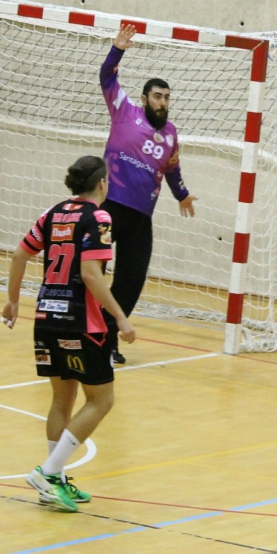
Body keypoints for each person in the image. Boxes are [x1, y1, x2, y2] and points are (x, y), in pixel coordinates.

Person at [2, 156, 136, 512]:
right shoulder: (100, 217)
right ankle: (48, 472)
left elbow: (18, 255)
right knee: (101, 401)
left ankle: (55, 481)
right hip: (82, 322)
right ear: (102, 184)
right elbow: (92, 274)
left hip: (47, 316)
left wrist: (13, 302)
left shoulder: (53, 214)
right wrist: (121, 317)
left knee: (62, 400)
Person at [99, 24, 198, 364]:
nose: (163, 102)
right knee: (89, 270)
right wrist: (118, 49)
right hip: (109, 208)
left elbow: (172, 168)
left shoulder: (171, 133)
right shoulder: (124, 110)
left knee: (131, 281)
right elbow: (107, 78)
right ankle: (79, 327)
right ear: (145, 99)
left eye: (168, 97)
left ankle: (107, 341)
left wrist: (182, 195)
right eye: (158, 96)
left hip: (141, 218)